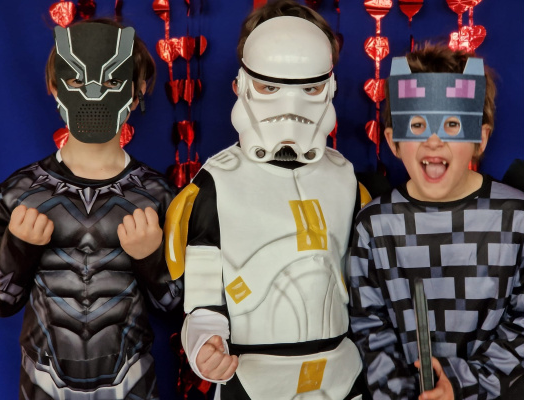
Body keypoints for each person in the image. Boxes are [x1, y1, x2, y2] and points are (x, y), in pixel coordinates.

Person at [163, 1, 372, 399]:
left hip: (342, 374)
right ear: (241, 84)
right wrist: (204, 345)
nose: (290, 107)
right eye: (270, 87)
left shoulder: (346, 180)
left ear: (329, 86)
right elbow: (203, 301)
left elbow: (364, 289)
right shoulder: (215, 185)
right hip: (252, 378)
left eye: (309, 88)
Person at [0, 18, 182, 399]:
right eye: (77, 81)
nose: (93, 95)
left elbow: (179, 308)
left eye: (111, 82)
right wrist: (18, 248)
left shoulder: (160, 196)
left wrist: (151, 258)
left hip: (132, 384)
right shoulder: (16, 194)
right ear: (55, 86)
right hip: (42, 385)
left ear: (137, 91)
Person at [348, 43, 524, 400]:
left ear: (479, 138)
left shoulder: (521, 220)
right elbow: (370, 328)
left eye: (452, 124)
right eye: (416, 125)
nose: (433, 140)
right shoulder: (374, 226)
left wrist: (462, 384)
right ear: (393, 141)